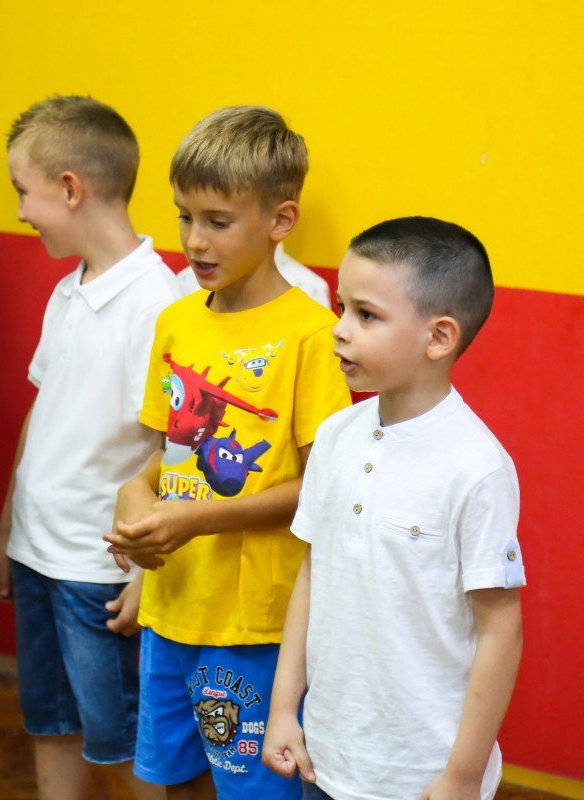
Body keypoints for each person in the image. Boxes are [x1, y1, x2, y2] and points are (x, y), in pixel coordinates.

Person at [105, 106, 350, 799]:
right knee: (172, 779)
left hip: (254, 624)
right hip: (172, 606)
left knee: (250, 789)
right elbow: (170, 453)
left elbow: (323, 489)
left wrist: (196, 520)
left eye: (217, 221)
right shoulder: (176, 321)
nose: (194, 240)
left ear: (280, 220)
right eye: (185, 217)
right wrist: (135, 494)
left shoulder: (312, 335)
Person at [262, 217, 526, 800]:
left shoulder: (476, 466)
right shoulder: (335, 436)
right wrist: (283, 709)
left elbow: (501, 630)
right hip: (326, 758)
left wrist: (461, 774)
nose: (339, 330)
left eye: (366, 315)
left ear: (439, 337)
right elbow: (312, 573)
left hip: (422, 776)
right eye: (342, 307)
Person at [0, 95, 179, 800]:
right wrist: (8, 528)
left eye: (23, 192)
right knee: (51, 725)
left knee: (122, 745)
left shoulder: (159, 306)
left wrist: (147, 575)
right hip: (37, 554)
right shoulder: (68, 292)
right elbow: (45, 416)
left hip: (100, 572)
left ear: (70, 189)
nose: (19, 212)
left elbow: (174, 449)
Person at [176, 242, 331, 309]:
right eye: (186, 217)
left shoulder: (310, 289)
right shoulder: (186, 280)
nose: (193, 242)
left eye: (220, 223)